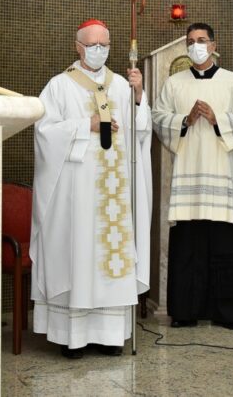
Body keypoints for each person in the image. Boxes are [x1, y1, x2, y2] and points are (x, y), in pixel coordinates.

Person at [31, 19, 152, 358]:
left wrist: (140, 96)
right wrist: (87, 125)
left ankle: (110, 336)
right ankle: (74, 338)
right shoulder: (59, 86)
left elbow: (141, 133)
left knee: (111, 256)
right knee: (79, 253)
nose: (99, 50)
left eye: (105, 44)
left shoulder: (122, 85)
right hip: (78, 192)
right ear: (77, 47)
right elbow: (44, 132)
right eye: (92, 45)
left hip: (116, 192)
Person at [152, 22, 233, 330]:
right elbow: (159, 118)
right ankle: (184, 312)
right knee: (188, 246)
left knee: (223, 246)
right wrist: (184, 120)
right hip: (189, 174)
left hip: (221, 173)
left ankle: (226, 313)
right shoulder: (174, 84)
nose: (195, 45)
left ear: (214, 45)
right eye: (190, 41)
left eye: (201, 40)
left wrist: (218, 119)